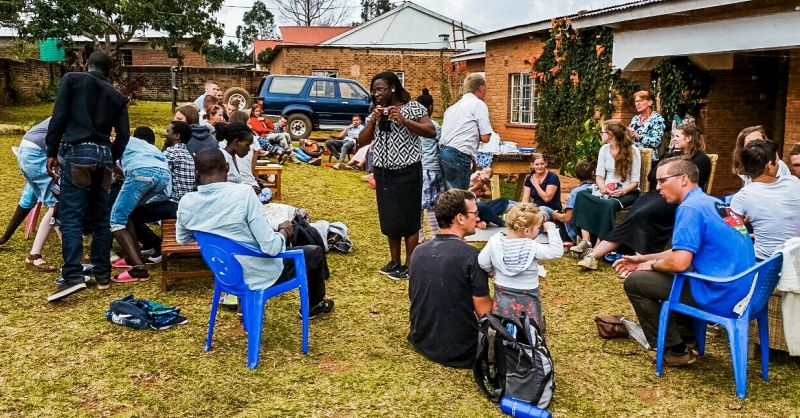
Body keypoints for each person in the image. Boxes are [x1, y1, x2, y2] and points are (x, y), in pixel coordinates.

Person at [616, 157, 755, 366]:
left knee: (636, 283)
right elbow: (682, 250)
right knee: (668, 275)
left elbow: (680, 262)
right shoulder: (712, 202)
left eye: (662, 180)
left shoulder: (689, 209)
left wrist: (649, 266)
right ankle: (687, 338)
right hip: (746, 289)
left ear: (683, 179)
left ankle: (675, 350)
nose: (658, 187)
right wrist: (643, 258)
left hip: (721, 294)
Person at [176, 148, 334, 317]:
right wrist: (284, 232)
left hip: (225, 274)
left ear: (197, 173)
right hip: (258, 273)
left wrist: (214, 232)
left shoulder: (186, 202)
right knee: (314, 252)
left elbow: (183, 238)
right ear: (228, 167)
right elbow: (271, 248)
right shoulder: (243, 193)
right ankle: (313, 305)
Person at [45, 51, 130, 302]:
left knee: (72, 214)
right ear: (110, 71)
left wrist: (51, 151)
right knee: (101, 216)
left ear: (87, 65)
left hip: (78, 153)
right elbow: (123, 134)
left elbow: (58, 117)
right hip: (103, 156)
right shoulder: (117, 96)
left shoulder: (72, 80)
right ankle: (102, 274)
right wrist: (111, 157)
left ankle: (72, 275)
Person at [577, 123, 711, 269]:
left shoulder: (701, 159)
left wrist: (673, 167)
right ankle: (594, 255)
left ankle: (640, 258)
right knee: (634, 214)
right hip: (657, 194)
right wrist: (672, 166)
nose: (673, 139)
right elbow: (652, 176)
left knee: (643, 214)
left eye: (677, 136)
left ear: (689, 138)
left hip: (677, 200)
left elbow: (692, 183)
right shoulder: (673, 154)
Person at [357, 71, 435, 280]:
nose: (376, 94)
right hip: (383, 172)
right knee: (389, 218)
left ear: (393, 88)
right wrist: (372, 121)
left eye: (380, 89)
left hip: (408, 171)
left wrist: (403, 120)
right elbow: (361, 141)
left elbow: (430, 131)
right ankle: (394, 261)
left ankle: (410, 264)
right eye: (374, 90)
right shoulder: (376, 111)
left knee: (409, 219)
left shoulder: (413, 108)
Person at [408, 189, 492, 368]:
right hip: (460, 351)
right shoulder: (471, 256)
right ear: (460, 218)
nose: (477, 218)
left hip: (422, 340)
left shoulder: (418, 250)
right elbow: (485, 313)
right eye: (475, 213)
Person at [478, 203, 563, 326]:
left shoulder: (495, 240)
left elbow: (482, 261)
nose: (539, 230)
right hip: (527, 291)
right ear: (527, 231)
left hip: (503, 288)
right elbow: (556, 252)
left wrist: (492, 271)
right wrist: (551, 229)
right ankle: (532, 330)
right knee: (529, 319)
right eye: (538, 228)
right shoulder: (531, 246)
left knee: (504, 317)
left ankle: (504, 332)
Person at [110, 126, 172, 283]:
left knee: (116, 220)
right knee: (128, 213)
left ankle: (139, 269)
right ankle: (134, 258)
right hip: (163, 176)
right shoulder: (143, 144)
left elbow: (109, 163)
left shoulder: (115, 141)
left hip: (141, 173)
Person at [128, 121, 195, 262]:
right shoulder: (187, 153)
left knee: (130, 214)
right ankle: (149, 244)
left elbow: (155, 174)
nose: (165, 134)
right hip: (184, 203)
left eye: (168, 131)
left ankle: (156, 246)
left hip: (173, 203)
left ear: (176, 135)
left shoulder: (171, 152)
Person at [571, 120, 641, 254]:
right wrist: (602, 187)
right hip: (606, 189)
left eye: (602, 132)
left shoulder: (633, 151)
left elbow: (635, 181)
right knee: (581, 195)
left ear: (611, 134)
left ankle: (597, 248)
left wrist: (623, 191)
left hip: (627, 191)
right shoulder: (604, 149)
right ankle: (586, 241)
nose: (600, 134)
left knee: (608, 205)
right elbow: (599, 176)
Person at [0, 117, 59, 272]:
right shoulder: (82, 114)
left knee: (56, 206)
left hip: (26, 151)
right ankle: (34, 257)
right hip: (38, 154)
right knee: (57, 206)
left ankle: (72, 254)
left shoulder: (71, 107)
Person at [730, 140, 800, 261]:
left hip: (765, 264)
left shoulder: (742, 197)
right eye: (777, 161)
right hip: (796, 259)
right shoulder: (794, 182)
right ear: (769, 166)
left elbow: (732, 234)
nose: (779, 163)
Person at [439, 73, 494, 190]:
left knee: (449, 197)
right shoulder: (478, 104)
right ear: (480, 87)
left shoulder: (452, 108)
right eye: (486, 88)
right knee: (460, 197)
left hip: (444, 153)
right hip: (459, 154)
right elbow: (485, 137)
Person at [416, 90, 443, 241]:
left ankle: (420, 235)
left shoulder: (413, 125)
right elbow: (441, 144)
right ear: (430, 107)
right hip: (431, 168)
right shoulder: (434, 126)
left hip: (417, 168)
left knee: (418, 205)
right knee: (433, 204)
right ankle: (435, 234)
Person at [552, 160, 596, 244]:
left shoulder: (577, 192)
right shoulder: (598, 188)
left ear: (576, 175)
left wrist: (555, 215)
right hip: (595, 230)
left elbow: (568, 218)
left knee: (548, 214)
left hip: (575, 232)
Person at [628, 90, 666, 162]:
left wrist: (638, 136)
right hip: (634, 158)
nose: (637, 104)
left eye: (641, 101)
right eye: (636, 101)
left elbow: (656, 142)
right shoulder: (635, 119)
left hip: (649, 159)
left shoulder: (657, 119)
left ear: (650, 102)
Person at [521, 153, 562, 218]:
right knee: (508, 204)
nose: (540, 167)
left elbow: (547, 198)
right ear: (532, 165)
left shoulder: (552, 177)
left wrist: (536, 185)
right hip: (535, 209)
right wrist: (522, 210)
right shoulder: (530, 178)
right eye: (537, 164)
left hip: (550, 210)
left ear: (546, 163)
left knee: (541, 209)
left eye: (542, 164)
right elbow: (525, 200)